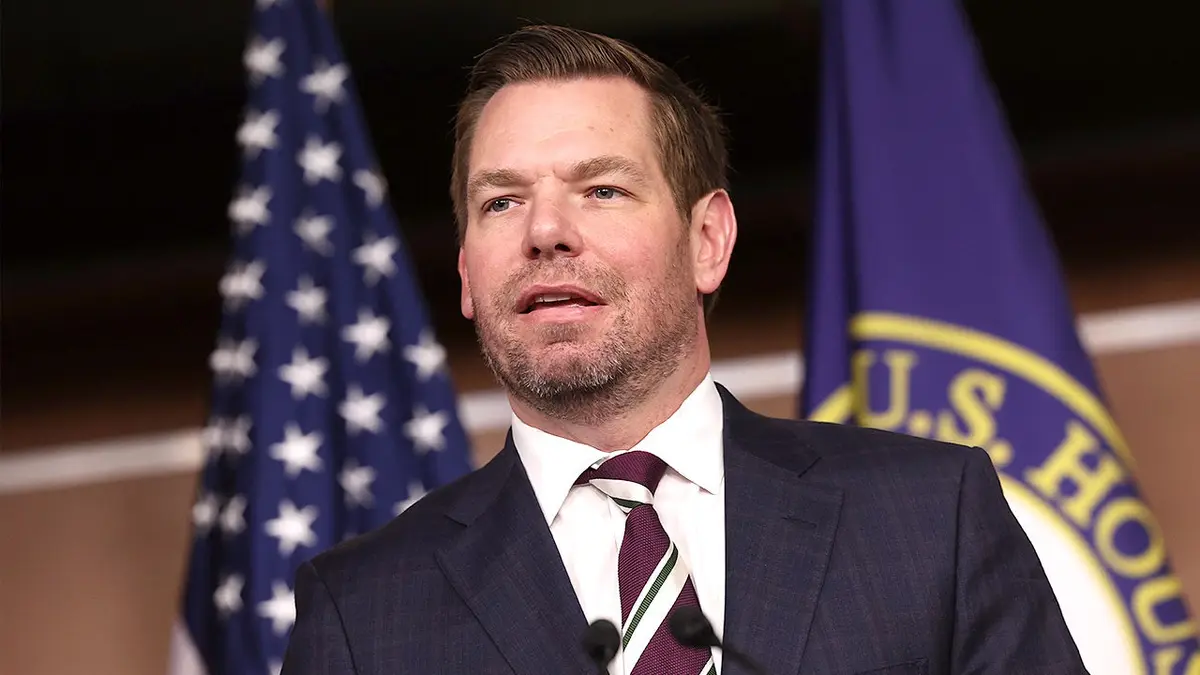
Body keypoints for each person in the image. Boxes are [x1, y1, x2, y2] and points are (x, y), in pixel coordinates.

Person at [281, 24, 1088, 675]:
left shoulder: (926, 516)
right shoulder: (363, 612)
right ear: (465, 273)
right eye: (502, 201)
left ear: (708, 239)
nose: (545, 232)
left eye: (601, 189)